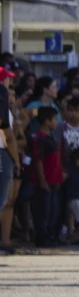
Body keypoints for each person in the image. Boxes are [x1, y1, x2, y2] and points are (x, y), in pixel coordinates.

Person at [31, 106, 63, 246]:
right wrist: (42, 181)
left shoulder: (51, 136)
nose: (56, 122)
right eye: (54, 119)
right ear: (46, 121)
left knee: (53, 210)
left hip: (55, 179)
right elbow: (38, 160)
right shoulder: (39, 138)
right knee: (44, 210)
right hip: (46, 180)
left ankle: (51, 234)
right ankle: (42, 236)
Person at [0, 65, 18, 254]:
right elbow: (8, 135)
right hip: (2, 153)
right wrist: (16, 159)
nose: (9, 82)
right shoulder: (1, 95)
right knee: (1, 200)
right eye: (6, 78)